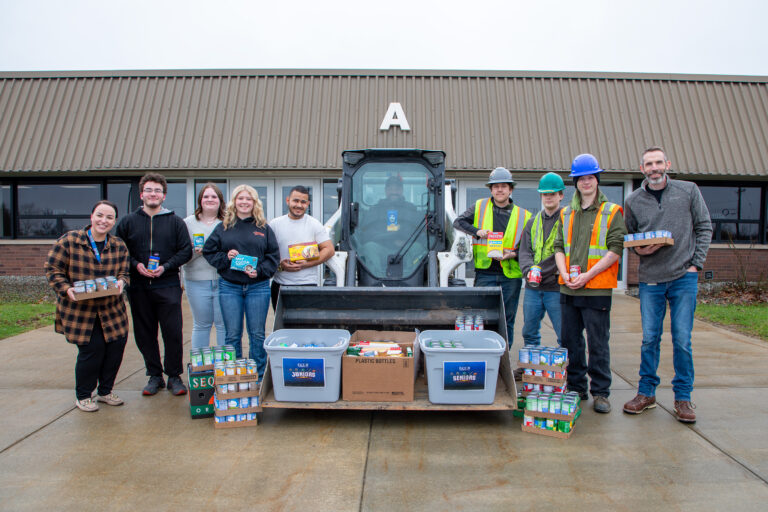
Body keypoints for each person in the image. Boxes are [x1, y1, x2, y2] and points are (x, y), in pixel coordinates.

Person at [622, 146, 712, 423]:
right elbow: (630, 235)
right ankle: (646, 393)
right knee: (650, 338)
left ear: (668, 164)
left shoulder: (688, 191)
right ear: (642, 170)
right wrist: (640, 251)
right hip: (651, 279)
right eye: (649, 164)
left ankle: (683, 398)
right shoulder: (633, 200)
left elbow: (704, 227)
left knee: (682, 340)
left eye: (658, 162)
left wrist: (696, 265)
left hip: (684, 277)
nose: (654, 168)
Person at [554, 154, 627, 414]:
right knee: (570, 341)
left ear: (597, 180)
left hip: (596, 289)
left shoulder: (612, 212)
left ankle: (600, 392)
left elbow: (615, 249)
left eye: (590, 178)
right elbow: (559, 247)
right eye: (581, 178)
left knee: (598, 342)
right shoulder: (566, 212)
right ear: (575, 182)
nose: (586, 182)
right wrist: (566, 274)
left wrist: (587, 275)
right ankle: (576, 388)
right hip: (569, 288)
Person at [44, 200, 130, 412]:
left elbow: (125, 272)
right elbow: (53, 269)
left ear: (114, 221)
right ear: (91, 216)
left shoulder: (118, 245)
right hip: (82, 311)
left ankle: (105, 391)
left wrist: (122, 282)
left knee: (115, 350)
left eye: (109, 217)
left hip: (112, 310)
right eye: (100, 215)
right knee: (92, 351)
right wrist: (65, 288)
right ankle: (83, 395)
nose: (104, 221)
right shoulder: (70, 241)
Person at [116, 173, 192, 396]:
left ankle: (174, 376)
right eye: (149, 190)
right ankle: (154, 375)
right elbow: (119, 251)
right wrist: (135, 264)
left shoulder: (175, 222)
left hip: (167, 285)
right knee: (145, 333)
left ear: (164, 196)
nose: (153, 194)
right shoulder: (128, 222)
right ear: (141, 194)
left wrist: (166, 267)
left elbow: (185, 251)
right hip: (138, 286)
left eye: (157, 191)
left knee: (172, 332)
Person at [203, 185, 279, 377]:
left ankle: (258, 376)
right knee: (232, 335)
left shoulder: (264, 228)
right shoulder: (223, 227)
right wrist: (226, 257)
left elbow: (273, 256)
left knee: (257, 335)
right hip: (229, 287)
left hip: (258, 287)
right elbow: (209, 251)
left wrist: (260, 272)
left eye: (249, 199)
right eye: (240, 198)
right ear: (234, 202)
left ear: (255, 203)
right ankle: (234, 377)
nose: (244, 202)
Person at [454, 167, 531, 344]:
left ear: (510, 189)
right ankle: (484, 349)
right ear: (491, 189)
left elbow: (530, 248)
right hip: (485, 273)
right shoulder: (480, 207)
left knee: (507, 319)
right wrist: (477, 231)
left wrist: (512, 255)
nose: (499, 190)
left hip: (510, 275)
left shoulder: (524, 216)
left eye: (504, 186)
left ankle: (504, 357)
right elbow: (458, 222)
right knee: (481, 316)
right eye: (496, 186)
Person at [268, 185, 335, 310]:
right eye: (295, 201)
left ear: (308, 204)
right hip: (280, 284)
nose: (299, 205)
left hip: (307, 284)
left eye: (303, 202)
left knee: (306, 326)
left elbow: (329, 249)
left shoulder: (314, 224)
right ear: (288, 200)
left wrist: (306, 264)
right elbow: (267, 253)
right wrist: (280, 265)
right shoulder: (275, 224)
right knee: (281, 327)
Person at [519, 172, 565, 349]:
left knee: (564, 333)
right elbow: (524, 251)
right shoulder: (533, 222)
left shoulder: (568, 220)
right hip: (533, 287)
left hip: (556, 286)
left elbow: (563, 253)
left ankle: (564, 372)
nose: (548, 197)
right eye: (545, 194)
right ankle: (532, 369)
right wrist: (529, 271)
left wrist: (539, 271)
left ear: (561, 195)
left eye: (552, 194)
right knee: (529, 332)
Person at [182, 183, 226, 349]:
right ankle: (201, 367)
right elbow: (181, 256)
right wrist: (196, 252)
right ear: (200, 200)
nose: (210, 200)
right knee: (201, 325)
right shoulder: (187, 223)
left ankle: (224, 368)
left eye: (214, 196)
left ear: (220, 201)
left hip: (223, 280)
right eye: (206, 196)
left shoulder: (227, 222)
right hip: (196, 281)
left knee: (223, 326)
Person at [357, 175, 423, 277]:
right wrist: (390, 239)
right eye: (390, 188)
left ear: (401, 190)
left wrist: (405, 242)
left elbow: (420, 234)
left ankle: (413, 281)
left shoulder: (412, 210)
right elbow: (366, 235)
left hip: (406, 249)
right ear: (386, 190)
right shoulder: (374, 210)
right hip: (381, 249)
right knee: (369, 247)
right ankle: (377, 283)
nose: (394, 191)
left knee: (418, 248)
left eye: (397, 188)